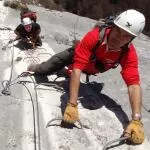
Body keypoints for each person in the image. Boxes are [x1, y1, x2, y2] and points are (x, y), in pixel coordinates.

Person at [26, 9, 145, 144]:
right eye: (118, 31)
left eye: (126, 36)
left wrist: (136, 119)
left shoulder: (128, 53)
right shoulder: (95, 36)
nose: (119, 38)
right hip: (74, 56)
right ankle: (36, 67)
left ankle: (63, 72)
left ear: (132, 39)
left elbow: (133, 84)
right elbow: (78, 69)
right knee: (46, 68)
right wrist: (72, 104)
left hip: (90, 67)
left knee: (66, 74)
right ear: (113, 26)